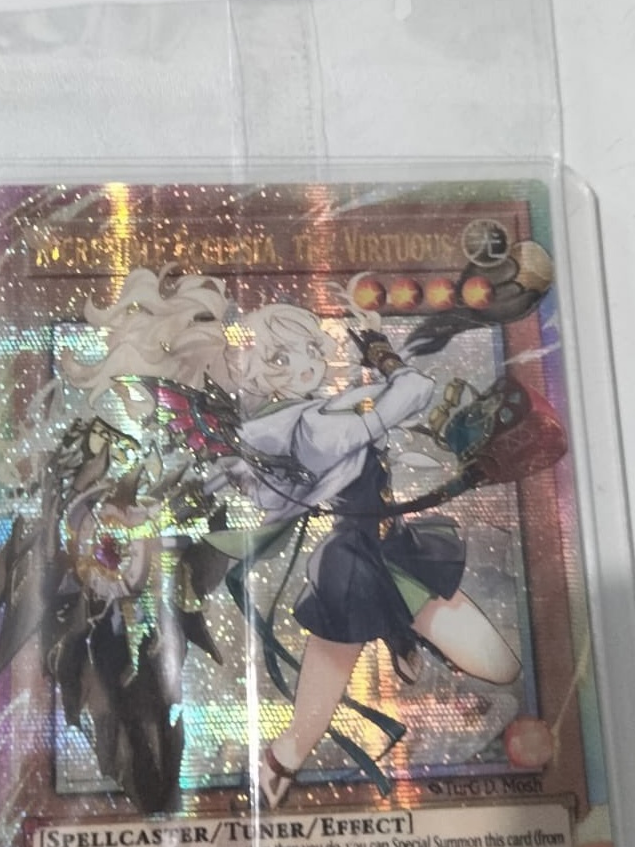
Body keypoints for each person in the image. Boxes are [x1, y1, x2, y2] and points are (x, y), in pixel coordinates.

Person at [221, 303, 520, 809]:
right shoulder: (311, 427)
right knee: (311, 715)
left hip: (396, 550)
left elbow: (392, 405)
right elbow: (414, 390)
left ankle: (401, 635)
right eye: (286, 358)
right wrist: (384, 358)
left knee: (502, 667)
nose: (309, 365)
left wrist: (378, 366)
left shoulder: (309, 415)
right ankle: (276, 768)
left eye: (312, 350)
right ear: (264, 370)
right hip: (354, 567)